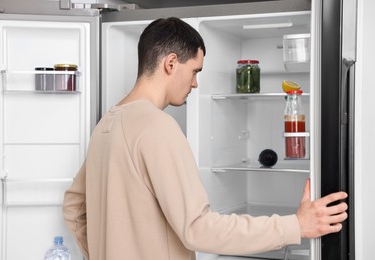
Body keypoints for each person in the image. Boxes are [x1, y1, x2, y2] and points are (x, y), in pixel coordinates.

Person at [63, 17, 348, 260]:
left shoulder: (106, 124)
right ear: (171, 63)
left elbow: (74, 208)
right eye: (195, 71)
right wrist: (296, 225)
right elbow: (197, 228)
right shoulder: (157, 127)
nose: (195, 83)